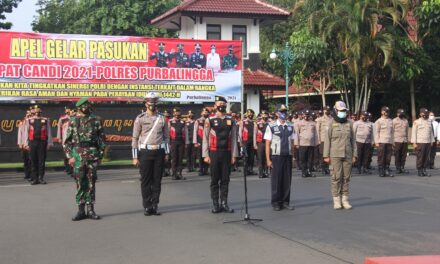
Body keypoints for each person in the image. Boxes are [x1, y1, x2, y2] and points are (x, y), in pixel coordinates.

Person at [64, 98, 105, 221]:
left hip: (92, 155)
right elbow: (67, 142)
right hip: (78, 155)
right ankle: (81, 210)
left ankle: (91, 209)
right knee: (80, 182)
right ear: (79, 107)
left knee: (91, 182)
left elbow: (101, 140)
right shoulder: (73, 121)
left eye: (88, 105)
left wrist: (100, 156)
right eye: (84, 105)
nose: (86, 107)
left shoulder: (96, 120)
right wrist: (70, 156)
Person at [132, 92, 170, 216]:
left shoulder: (162, 118)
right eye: (149, 102)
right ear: (145, 103)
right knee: (146, 180)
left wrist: (167, 153)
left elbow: (166, 138)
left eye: (154, 102)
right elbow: (135, 138)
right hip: (145, 152)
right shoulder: (140, 118)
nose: (152, 104)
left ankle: (155, 205)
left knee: (157, 180)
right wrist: (134, 156)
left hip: (159, 152)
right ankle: (147, 206)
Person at [202, 96, 238, 213]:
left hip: (227, 153)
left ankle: (224, 203)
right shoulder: (210, 120)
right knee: (214, 179)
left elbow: (233, 139)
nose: (222, 105)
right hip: (214, 152)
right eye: (219, 103)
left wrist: (234, 155)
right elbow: (205, 138)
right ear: (215, 106)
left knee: (225, 179)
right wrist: (205, 155)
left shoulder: (231, 120)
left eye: (223, 103)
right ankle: (216, 204)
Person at [323, 101, 357, 210]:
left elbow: (353, 140)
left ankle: (345, 200)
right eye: (340, 111)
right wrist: (326, 155)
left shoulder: (350, 123)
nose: (343, 113)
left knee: (346, 178)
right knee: (336, 177)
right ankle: (336, 200)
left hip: (347, 153)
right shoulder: (331, 123)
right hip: (335, 154)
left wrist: (354, 155)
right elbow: (327, 140)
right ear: (335, 111)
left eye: (344, 111)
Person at [265, 104, 295, 211]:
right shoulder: (271, 126)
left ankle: (285, 201)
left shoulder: (291, 125)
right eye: (282, 112)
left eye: (285, 111)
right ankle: (276, 202)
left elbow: (292, 141)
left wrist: (293, 156)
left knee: (287, 180)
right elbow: (267, 144)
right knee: (276, 180)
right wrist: (268, 160)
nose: (284, 114)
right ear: (277, 113)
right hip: (276, 156)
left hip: (287, 156)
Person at [23, 105, 53, 185]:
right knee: (33, 160)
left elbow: (49, 132)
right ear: (33, 111)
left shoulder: (45, 120)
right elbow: (26, 132)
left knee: (41, 161)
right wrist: (26, 143)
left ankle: (41, 178)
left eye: (38, 109)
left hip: (42, 142)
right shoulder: (29, 120)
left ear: (41, 110)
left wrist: (49, 143)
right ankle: (35, 178)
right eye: (36, 109)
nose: (37, 111)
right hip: (32, 142)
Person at [294, 109, 319, 178]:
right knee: (303, 159)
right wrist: (296, 143)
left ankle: (309, 171)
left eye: (307, 115)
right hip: (302, 144)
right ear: (302, 115)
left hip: (311, 144)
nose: (306, 116)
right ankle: (304, 172)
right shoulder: (299, 123)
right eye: (305, 114)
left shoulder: (313, 123)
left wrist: (316, 143)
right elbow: (296, 134)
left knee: (310, 159)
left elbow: (315, 134)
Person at [411, 108, 435, 177]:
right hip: (420, 142)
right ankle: (420, 170)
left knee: (426, 157)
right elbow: (414, 133)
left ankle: (424, 170)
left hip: (428, 142)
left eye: (427, 113)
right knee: (420, 157)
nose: (426, 114)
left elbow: (431, 133)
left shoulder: (429, 121)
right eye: (424, 113)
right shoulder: (416, 122)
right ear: (421, 114)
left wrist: (432, 141)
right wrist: (414, 143)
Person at [374, 106, 394, 177]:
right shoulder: (378, 121)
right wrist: (376, 142)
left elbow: (392, 132)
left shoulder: (391, 121)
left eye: (388, 111)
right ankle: (381, 170)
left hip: (389, 141)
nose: (387, 113)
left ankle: (386, 169)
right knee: (381, 157)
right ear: (382, 112)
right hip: (381, 141)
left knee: (388, 157)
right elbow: (376, 132)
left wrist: (392, 142)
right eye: (385, 111)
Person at [169, 108, 186, 180]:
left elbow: (186, 132)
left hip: (181, 142)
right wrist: (168, 143)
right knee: (174, 158)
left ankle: (179, 173)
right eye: (176, 112)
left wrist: (186, 142)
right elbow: (167, 133)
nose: (177, 114)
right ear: (173, 113)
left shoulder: (183, 121)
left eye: (178, 112)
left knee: (180, 158)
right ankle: (174, 174)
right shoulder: (170, 121)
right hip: (173, 142)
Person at [57, 105, 75, 177]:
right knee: (66, 154)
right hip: (65, 139)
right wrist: (59, 137)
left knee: (73, 154)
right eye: (66, 109)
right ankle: (68, 168)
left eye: (67, 109)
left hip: (74, 139)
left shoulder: (75, 118)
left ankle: (72, 169)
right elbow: (59, 128)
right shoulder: (62, 119)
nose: (66, 110)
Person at [239, 109, 257, 175]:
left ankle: (250, 170)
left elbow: (255, 134)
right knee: (246, 156)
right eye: (249, 113)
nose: (250, 114)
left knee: (251, 157)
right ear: (246, 114)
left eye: (251, 113)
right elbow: (240, 132)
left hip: (252, 142)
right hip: (245, 142)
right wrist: (240, 142)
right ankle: (245, 170)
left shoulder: (254, 123)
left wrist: (255, 144)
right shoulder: (242, 122)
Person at [316, 106, 333, 174]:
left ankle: (327, 168)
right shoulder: (320, 119)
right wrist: (318, 140)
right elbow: (317, 130)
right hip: (323, 139)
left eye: (328, 110)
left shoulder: (332, 119)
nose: (327, 111)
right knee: (323, 154)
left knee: (329, 154)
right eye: (326, 110)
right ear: (324, 111)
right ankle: (323, 168)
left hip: (330, 139)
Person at [392, 109, 409, 174]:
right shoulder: (394, 121)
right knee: (397, 155)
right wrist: (392, 141)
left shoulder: (406, 121)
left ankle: (402, 167)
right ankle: (398, 168)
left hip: (404, 140)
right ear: (397, 114)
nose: (401, 114)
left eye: (402, 113)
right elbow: (392, 131)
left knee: (403, 155)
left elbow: (407, 131)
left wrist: (407, 139)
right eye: (399, 113)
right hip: (397, 140)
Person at [193, 108, 209, 176]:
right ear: (201, 113)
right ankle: (201, 170)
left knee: (207, 155)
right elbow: (195, 131)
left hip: (208, 141)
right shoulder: (198, 121)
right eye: (204, 112)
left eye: (206, 112)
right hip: (200, 140)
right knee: (200, 156)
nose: (205, 113)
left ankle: (206, 170)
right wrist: (195, 142)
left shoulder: (210, 120)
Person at [17, 109, 32, 181]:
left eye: (30, 114)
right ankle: (27, 174)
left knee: (31, 160)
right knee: (25, 160)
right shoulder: (22, 122)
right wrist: (20, 143)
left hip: (31, 144)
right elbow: (20, 134)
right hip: (23, 145)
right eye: (28, 114)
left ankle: (32, 175)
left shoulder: (33, 122)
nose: (29, 115)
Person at [256, 111, 269, 178]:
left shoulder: (270, 123)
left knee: (267, 158)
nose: (264, 116)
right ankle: (261, 173)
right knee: (260, 158)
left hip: (268, 142)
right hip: (260, 142)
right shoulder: (258, 124)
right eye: (263, 115)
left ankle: (266, 172)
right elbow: (255, 133)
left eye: (265, 115)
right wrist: (255, 144)